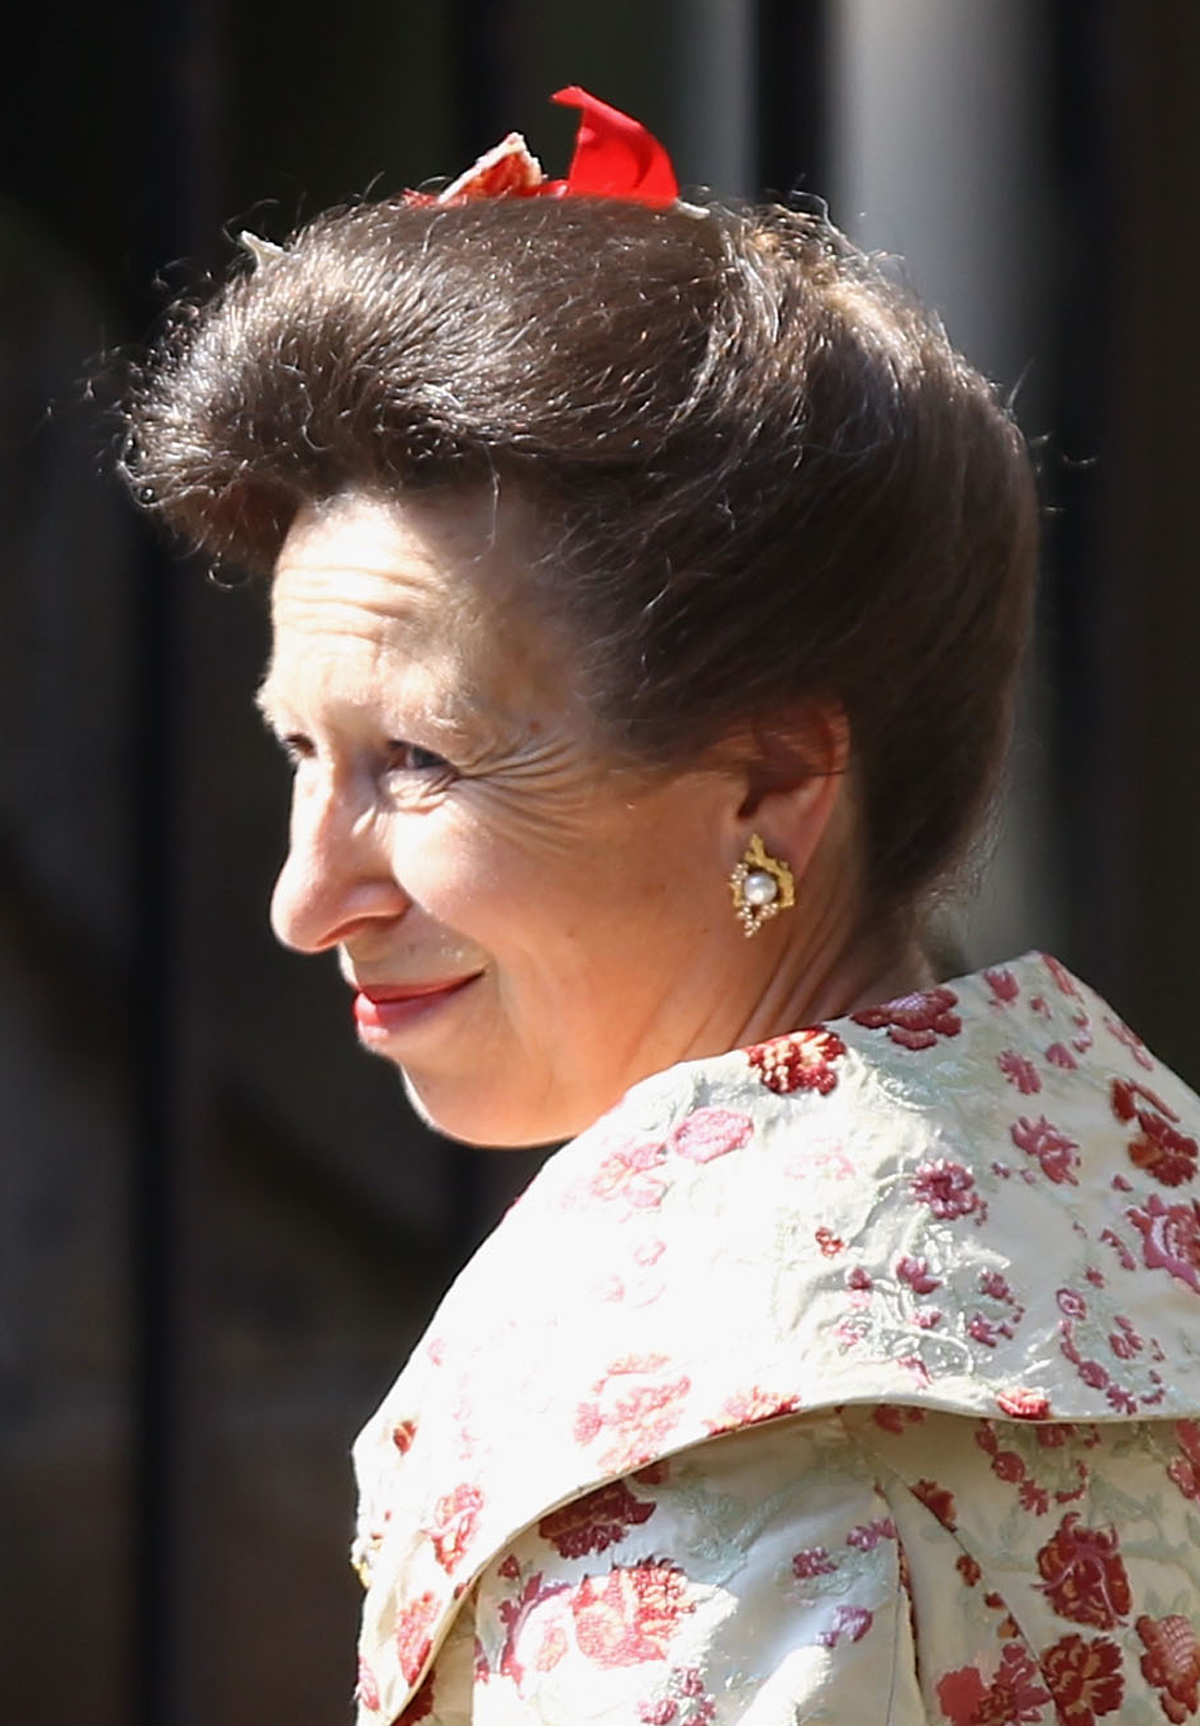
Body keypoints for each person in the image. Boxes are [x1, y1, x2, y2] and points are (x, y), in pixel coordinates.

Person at [123, 88, 1200, 1726]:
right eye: (299, 748)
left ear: (769, 781)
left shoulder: (712, 1478)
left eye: (417, 759)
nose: (305, 896)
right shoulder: (1128, 1224)